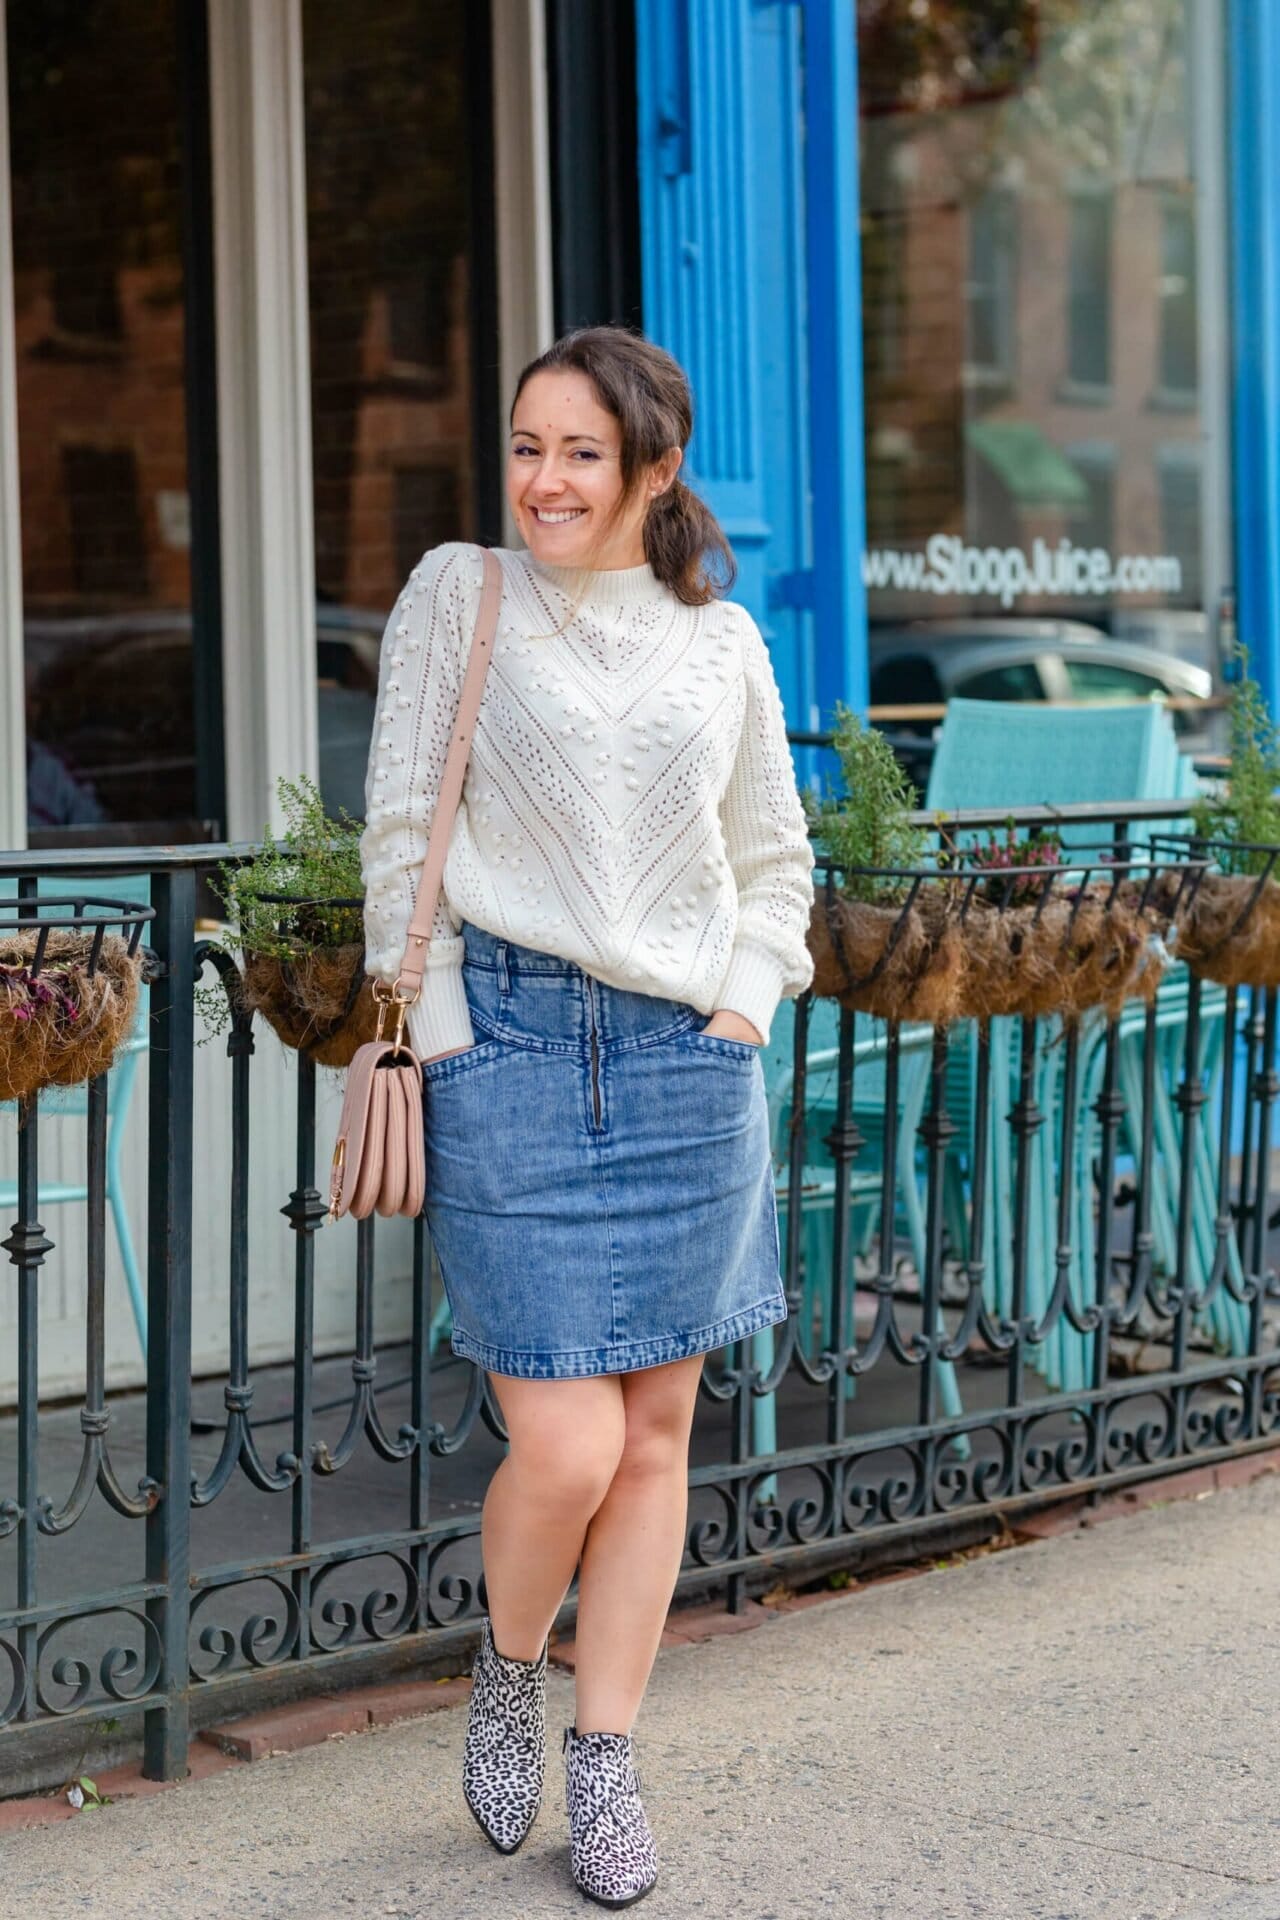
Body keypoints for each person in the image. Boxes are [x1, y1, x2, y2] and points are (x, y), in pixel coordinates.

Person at [360, 325, 814, 1907]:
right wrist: (447, 1043)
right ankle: (507, 1666)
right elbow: (402, 827)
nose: (544, 480)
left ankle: (605, 1757)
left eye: (580, 454)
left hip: (691, 1068)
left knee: (656, 1439)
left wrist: (741, 1008)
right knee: (562, 1435)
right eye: (528, 446)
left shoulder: (724, 645)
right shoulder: (459, 595)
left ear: (653, 470)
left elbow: (778, 865)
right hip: (516, 1056)